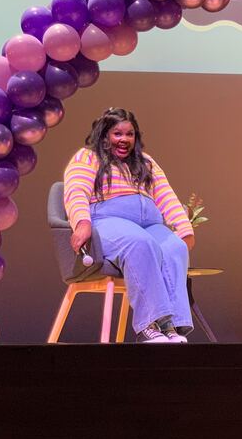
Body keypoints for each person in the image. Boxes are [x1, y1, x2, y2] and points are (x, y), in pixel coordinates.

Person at [63, 107, 195, 343]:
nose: (124, 140)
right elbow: (76, 192)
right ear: (104, 136)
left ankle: (171, 326)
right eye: (117, 134)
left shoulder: (145, 162)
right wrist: (81, 223)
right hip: (108, 221)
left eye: (130, 134)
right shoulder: (88, 157)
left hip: (149, 222)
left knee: (175, 248)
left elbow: (166, 196)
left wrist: (184, 230)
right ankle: (148, 326)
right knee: (139, 243)